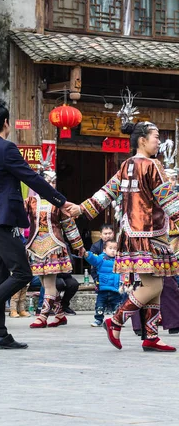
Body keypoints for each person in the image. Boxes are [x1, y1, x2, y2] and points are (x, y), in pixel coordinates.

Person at [0, 98, 76, 350]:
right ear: (6, 123)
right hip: (2, 221)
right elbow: (32, 178)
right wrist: (60, 201)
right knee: (23, 273)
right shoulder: (7, 148)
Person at [72, 120, 179, 353]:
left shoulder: (126, 165)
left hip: (131, 232)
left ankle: (151, 336)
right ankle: (117, 319)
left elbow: (106, 193)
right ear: (142, 140)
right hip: (150, 234)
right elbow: (168, 199)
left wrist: (82, 209)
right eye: (156, 136)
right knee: (154, 285)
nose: (158, 141)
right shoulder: (152, 165)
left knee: (154, 285)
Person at [26, 169, 84, 329]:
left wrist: (79, 246)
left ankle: (43, 316)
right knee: (45, 283)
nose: (50, 185)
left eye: (53, 182)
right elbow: (18, 217)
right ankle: (59, 315)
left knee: (50, 283)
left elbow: (69, 226)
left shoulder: (59, 202)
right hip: (35, 246)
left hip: (54, 247)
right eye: (47, 181)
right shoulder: (30, 201)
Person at [84, 240, 122, 327]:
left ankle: (116, 321)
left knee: (117, 307)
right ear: (104, 250)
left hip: (115, 289)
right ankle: (98, 319)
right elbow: (94, 260)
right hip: (103, 288)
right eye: (110, 248)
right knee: (99, 306)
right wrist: (87, 255)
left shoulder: (120, 259)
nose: (113, 250)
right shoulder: (101, 258)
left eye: (115, 249)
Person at [89, 224, 114, 290]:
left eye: (110, 233)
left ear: (113, 233)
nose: (108, 236)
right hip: (100, 274)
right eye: (105, 234)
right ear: (101, 235)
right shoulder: (95, 246)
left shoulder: (118, 244)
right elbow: (93, 264)